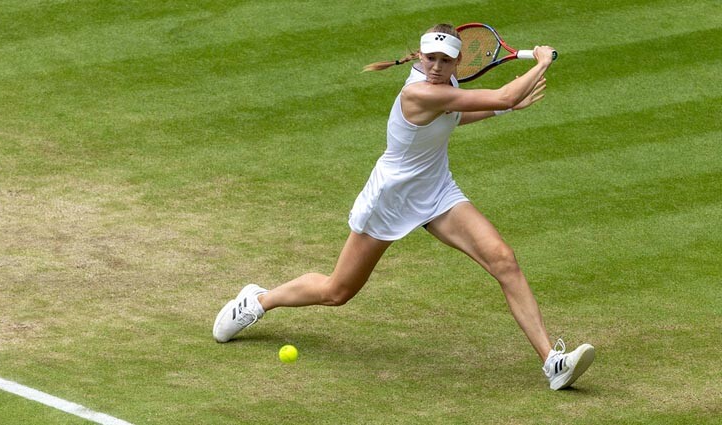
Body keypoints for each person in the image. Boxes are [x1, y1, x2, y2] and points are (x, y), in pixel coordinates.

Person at [213, 23, 594, 390]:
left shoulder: (444, 87)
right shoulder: (419, 93)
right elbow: (504, 94)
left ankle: (552, 362)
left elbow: (455, 116)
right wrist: (541, 63)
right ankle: (259, 300)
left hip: (437, 192)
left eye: (445, 61)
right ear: (420, 55)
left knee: (503, 259)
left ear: (457, 64)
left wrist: (504, 110)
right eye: (430, 58)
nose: (436, 67)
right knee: (337, 291)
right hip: (390, 201)